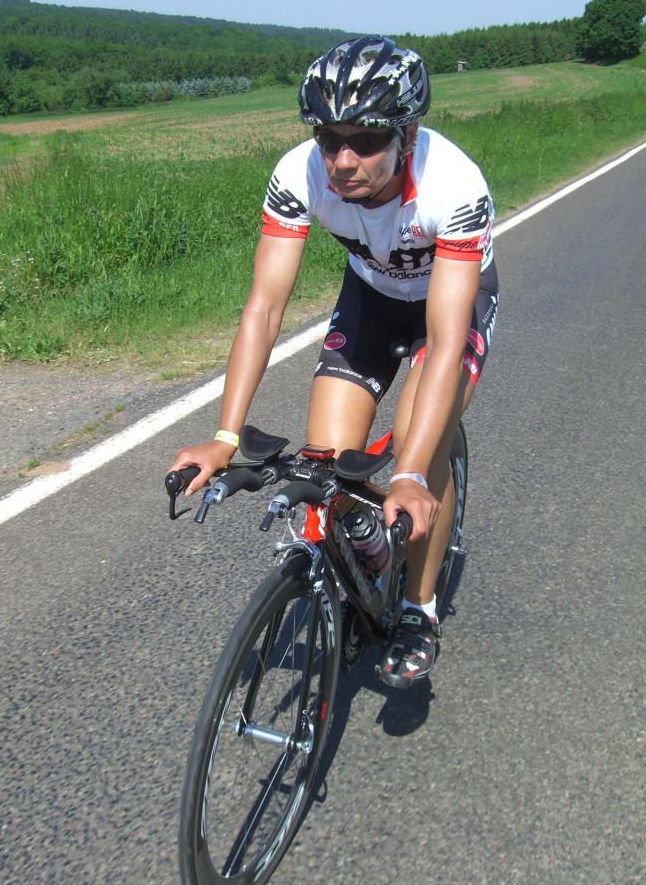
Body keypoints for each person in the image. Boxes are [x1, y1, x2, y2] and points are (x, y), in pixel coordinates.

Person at [169, 35, 498, 688]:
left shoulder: (453, 185)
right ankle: (370, 552)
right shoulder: (299, 175)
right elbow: (264, 307)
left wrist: (409, 473)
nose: (344, 160)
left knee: (419, 443)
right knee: (327, 462)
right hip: (372, 298)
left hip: (450, 306)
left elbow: (443, 335)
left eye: (366, 141)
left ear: (407, 134)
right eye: (328, 139)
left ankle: (419, 609)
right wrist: (225, 437)